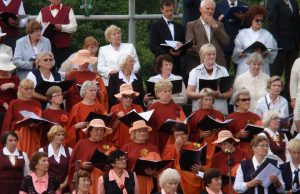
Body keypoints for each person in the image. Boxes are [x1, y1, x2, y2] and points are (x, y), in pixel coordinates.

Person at [68, 118, 115, 194]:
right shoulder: (81, 144)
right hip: (86, 183)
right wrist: (82, 165)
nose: (99, 132)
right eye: (96, 129)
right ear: (90, 131)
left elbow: (116, 163)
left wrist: (110, 166)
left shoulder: (109, 145)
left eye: (102, 130)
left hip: (105, 183)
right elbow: (72, 164)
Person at [232, 5, 277, 76]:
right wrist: (240, 53)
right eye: (257, 20)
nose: (259, 22)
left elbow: (272, 52)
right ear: (251, 20)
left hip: (261, 67)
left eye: (261, 20)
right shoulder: (242, 33)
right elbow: (236, 51)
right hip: (245, 66)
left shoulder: (267, 35)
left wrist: (264, 54)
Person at [187, 43, 232, 115]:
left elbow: (230, 93)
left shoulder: (223, 70)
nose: (212, 56)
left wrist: (220, 95)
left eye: (213, 54)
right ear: (202, 56)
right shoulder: (194, 71)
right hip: (200, 112)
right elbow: (189, 93)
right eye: (209, 54)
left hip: (219, 112)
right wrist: (201, 95)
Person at [267, 0, 300, 99]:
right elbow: (272, 24)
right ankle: (273, 98)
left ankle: (289, 99)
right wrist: (275, 44)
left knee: (292, 74)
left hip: (293, 45)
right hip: (280, 46)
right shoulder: (274, 2)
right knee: (276, 75)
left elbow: (296, 23)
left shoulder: (293, 2)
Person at [1, 79, 42, 157]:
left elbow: (41, 123)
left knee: (32, 159)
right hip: (19, 136)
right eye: (26, 89)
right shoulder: (14, 103)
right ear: (20, 89)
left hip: (33, 135)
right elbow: (8, 123)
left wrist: (36, 125)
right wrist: (19, 122)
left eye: (31, 89)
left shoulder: (37, 103)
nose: (29, 91)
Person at [186, 0, 229, 71]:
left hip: (218, 64)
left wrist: (215, 26)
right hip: (198, 64)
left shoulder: (219, 24)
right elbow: (190, 46)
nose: (210, 11)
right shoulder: (192, 25)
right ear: (200, 9)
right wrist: (207, 55)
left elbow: (226, 42)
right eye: (208, 8)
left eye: (212, 9)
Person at [122, 120, 161, 194]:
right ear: (134, 133)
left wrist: (153, 173)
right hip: (129, 182)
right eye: (139, 131)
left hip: (148, 182)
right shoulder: (126, 147)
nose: (142, 133)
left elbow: (160, 168)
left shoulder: (153, 148)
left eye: (144, 131)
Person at [187, 88, 224, 168]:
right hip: (199, 146)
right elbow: (188, 135)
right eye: (206, 99)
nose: (208, 102)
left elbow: (225, 131)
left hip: (216, 147)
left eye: (210, 100)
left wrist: (218, 131)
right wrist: (200, 135)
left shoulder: (219, 114)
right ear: (201, 100)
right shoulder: (194, 114)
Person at [162, 122, 203, 194]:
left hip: (194, 180)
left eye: (181, 135)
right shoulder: (170, 148)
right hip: (177, 182)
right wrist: (177, 148)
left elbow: (204, 163)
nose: (179, 137)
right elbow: (167, 166)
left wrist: (200, 168)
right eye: (177, 135)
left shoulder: (196, 145)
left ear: (187, 135)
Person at [36, 0, 77, 69]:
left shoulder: (68, 10)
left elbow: (74, 27)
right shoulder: (43, 11)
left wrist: (62, 27)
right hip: (47, 47)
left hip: (64, 47)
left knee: (65, 69)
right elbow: (37, 26)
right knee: (47, 69)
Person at [147, 80, 186, 152]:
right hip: (159, 139)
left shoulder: (176, 107)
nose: (168, 93)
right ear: (158, 94)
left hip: (173, 139)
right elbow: (148, 126)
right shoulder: (152, 107)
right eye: (165, 91)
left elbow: (183, 123)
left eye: (169, 91)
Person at [66, 80, 107, 147]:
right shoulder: (76, 108)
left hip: (98, 140)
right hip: (82, 140)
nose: (94, 93)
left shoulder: (100, 106)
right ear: (84, 92)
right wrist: (76, 126)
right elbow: (69, 130)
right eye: (91, 90)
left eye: (95, 90)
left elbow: (106, 123)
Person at [150, 0, 185, 77]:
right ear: (161, 10)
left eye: (171, 10)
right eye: (167, 10)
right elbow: (153, 47)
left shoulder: (180, 27)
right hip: (161, 65)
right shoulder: (155, 26)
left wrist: (180, 50)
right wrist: (169, 52)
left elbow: (184, 46)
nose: (169, 13)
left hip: (177, 66)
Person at [214, 0, 248, 73]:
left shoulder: (244, 5)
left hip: (240, 45)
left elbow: (249, 25)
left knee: (241, 72)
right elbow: (214, 25)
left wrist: (243, 18)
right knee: (223, 72)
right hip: (224, 45)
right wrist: (220, 20)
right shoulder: (218, 6)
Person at [39, 125, 72, 193]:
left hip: (65, 188)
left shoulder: (69, 150)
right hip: (47, 188)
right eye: (58, 135)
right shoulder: (42, 151)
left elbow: (71, 170)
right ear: (52, 136)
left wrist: (64, 184)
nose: (61, 137)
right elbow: (40, 171)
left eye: (63, 135)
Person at [227, 88, 260, 155]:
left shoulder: (256, 117)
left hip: (254, 150)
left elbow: (262, 134)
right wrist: (237, 135)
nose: (247, 102)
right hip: (237, 151)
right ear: (237, 102)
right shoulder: (230, 117)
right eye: (244, 100)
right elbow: (226, 139)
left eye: (248, 99)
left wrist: (257, 136)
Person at [110, 83, 143, 148]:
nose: (129, 99)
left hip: (134, 140)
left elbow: (143, 126)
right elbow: (111, 129)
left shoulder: (138, 108)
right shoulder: (114, 108)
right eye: (126, 97)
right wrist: (118, 119)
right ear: (120, 98)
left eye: (131, 97)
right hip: (120, 139)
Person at [0, 53, 19, 127]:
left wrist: (13, 86)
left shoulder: (15, 78)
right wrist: (4, 104)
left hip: (13, 109)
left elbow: (21, 93)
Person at [290, 58, 300, 132]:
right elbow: (293, 80)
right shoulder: (298, 61)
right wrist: (293, 97)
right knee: (297, 116)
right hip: (299, 94)